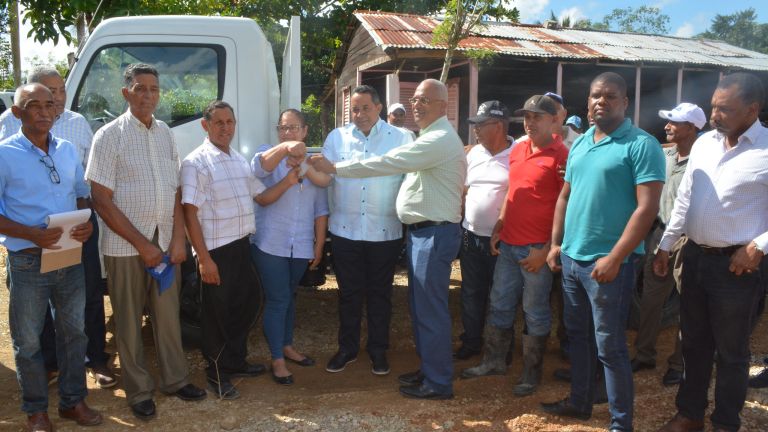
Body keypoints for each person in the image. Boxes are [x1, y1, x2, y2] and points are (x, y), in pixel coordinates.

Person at [311, 78, 466, 400]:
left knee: (430, 311)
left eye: (425, 100)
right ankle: (429, 372)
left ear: (442, 105)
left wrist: (337, 167)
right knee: (420, 309)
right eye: (415, 100)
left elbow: (388, 163)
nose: (417, 105)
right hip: (419, 233)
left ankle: (437, 382)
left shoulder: (435, 138)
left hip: (430, 233)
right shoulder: (429, 136)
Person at [541, 71, 665, 432]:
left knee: (610, 347)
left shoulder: (641, 145)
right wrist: (555, 244)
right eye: (596, 95)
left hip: (609, 265)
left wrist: (615, 257)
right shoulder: (580, 144)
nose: (601, 102)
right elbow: (565, 195)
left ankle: (620, 423)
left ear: (625, 103)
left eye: (610, 96)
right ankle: (579, 403)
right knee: (578, 338)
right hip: (572, 259)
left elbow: (647, 208)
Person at [86, 63, 206, 420]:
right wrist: (143, 245)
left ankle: (175, 379)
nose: (148, 95)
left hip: (165, 242)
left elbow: (174, 189)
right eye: (140, 88)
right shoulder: (108, 136)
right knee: (126, 319)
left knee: (168, 316)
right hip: (126, 248)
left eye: (154, 89)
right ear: (126, 93)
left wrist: (179, 239)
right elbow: (101, 200)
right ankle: (138, 389)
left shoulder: (166, 133)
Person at [654, 73, 768, 432]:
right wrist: (666, 244)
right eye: (714, 107)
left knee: (732, 353)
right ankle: (690, 414)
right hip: (697, 260)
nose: (715, 115)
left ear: (753, 109)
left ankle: (725, 423)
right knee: (694, 344)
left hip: (738, 268)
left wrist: (759, 246)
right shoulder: (704, 143)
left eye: (725, 109)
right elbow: (686, 198)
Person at [0, 65, 115, 389]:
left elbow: (82, 191)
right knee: (30, 337)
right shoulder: (5, 147)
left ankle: (74, 399)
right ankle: (37, 406)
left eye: (52, 100)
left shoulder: (68, 142)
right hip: (27, 256)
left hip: (70, 249)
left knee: (75, 327)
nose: (47, 108)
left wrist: (86, 223)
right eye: (36, 104)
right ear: (19, 111)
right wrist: (32, 234)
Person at [461, 95, 568, 399]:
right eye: (527, 117)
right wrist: (501, 223)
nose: (530, 122)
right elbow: (513, 188)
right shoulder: (519, 148)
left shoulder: (562, 155)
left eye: (537, 117)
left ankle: (531, 373)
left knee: (534, 310)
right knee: (500, 302)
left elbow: (568, 205)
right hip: (508, 244)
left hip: (535, 247)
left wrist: (547, 248)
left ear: (553, 120)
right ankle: (494, 361)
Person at [181, 101, 273, 399]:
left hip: (241, 246)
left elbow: (263, 196)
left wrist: (292, 178)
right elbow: (189, 213)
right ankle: (217, 373)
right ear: (205, 125)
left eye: (230, 121)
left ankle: (236, 362)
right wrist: (204, 259)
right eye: (218, 122)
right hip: (216, 251)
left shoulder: (237, 159)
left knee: (245, 305)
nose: (225, 128)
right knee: (216, 315)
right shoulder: (195, 163)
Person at [322, 86, 412, 376]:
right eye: (355, 109)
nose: (359, 115)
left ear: (379, 107)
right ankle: (347, 349)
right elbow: (324, 176)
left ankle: (378, 350)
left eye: (365, 108)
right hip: (345, 230)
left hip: (384, 231)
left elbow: (411, 180)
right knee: (348, 294)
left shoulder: (401, 138)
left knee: (380, 294)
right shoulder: (337, 137)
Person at [250, 108, 329, 386]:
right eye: (283, 128)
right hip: (271, 243)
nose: (288, 132)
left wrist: (319, 246)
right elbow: (258, 168)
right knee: (278, 299)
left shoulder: (314, 165)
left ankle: (286, 345)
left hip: (302, 245)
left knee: (289, 296)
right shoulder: (268, 154)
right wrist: (285, 150)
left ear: (306, 131)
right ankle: (278, 359)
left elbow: (321, 210)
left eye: (294, 128)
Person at [630, 103, 705, 387]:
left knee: (689, 304)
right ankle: (644, 354)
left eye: (674, 122)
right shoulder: (667, 155)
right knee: (651, 299)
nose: (667, 126)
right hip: (660, 235)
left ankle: (679, 363)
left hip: (689, 239)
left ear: (692, 128)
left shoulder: (704, 161)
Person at [453, 100, 512, 361]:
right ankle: (472, 341)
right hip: (471, 236)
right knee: (471, 292)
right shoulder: (473, 154)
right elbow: (463, 191)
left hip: (503, 241)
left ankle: (500, 348)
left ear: (498, 125)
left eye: (481, 125)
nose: (475, 130)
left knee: (502, 295)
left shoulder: (520, 153)